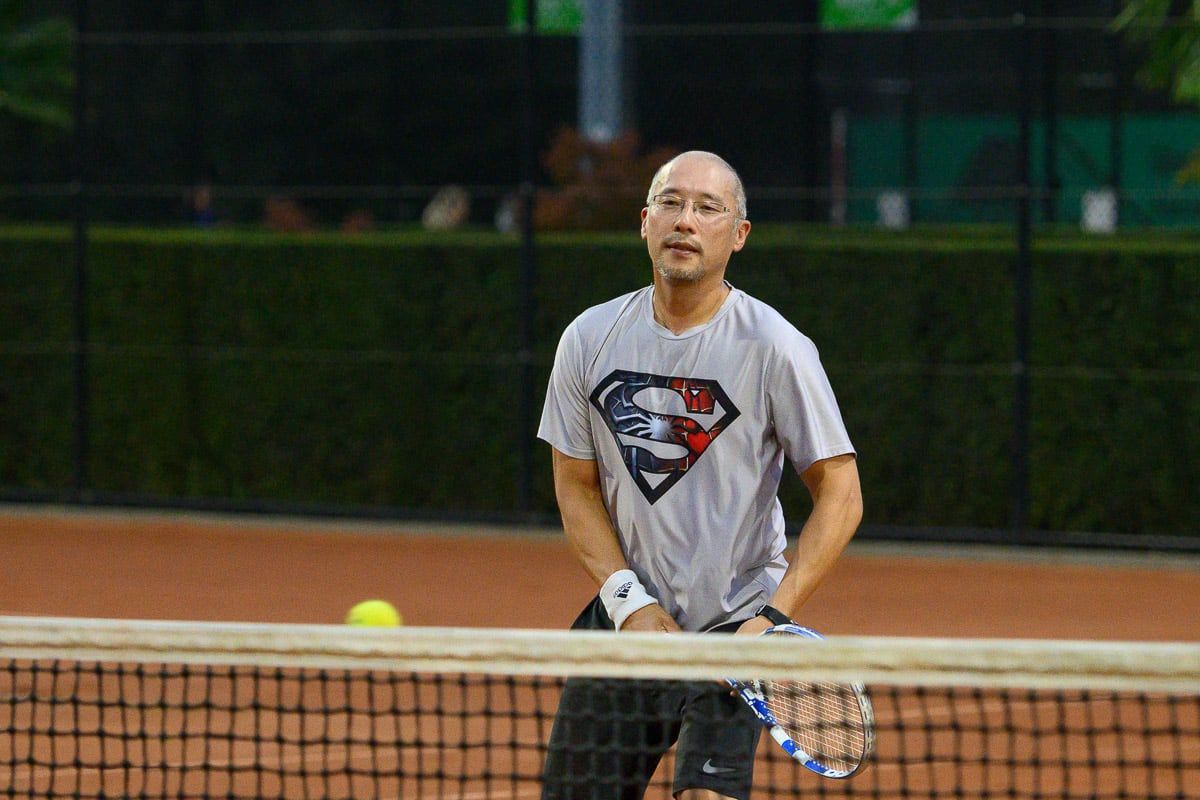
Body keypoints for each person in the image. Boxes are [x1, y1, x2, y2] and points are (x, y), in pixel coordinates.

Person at [536, 151, 863, 800]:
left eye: (708, 208)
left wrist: (769, 621)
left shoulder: (776, 348)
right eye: (671, 202)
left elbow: (841, 494)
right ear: (645, 221)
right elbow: (575, 485)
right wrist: (629, 602)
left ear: (739, 234)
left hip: (731, 632)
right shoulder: (588, 338)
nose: (685, 220)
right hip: (625, 623)